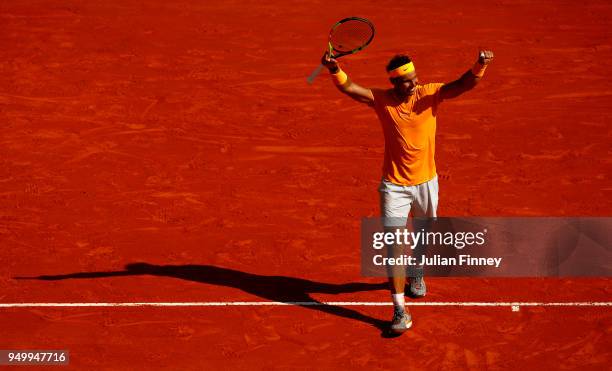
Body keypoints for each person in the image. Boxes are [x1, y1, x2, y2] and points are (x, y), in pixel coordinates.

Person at [321, 49, 494, 334]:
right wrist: (333, 68)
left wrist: (480, 65)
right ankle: (400, 309)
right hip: (394, 187)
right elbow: (350, 88)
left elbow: (462, 85)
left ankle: (416, 272)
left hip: (427, 182)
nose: (413, 84)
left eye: (414, 78)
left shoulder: (429, 94)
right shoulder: (382, 100)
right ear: (394, 84)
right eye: (406, 81)